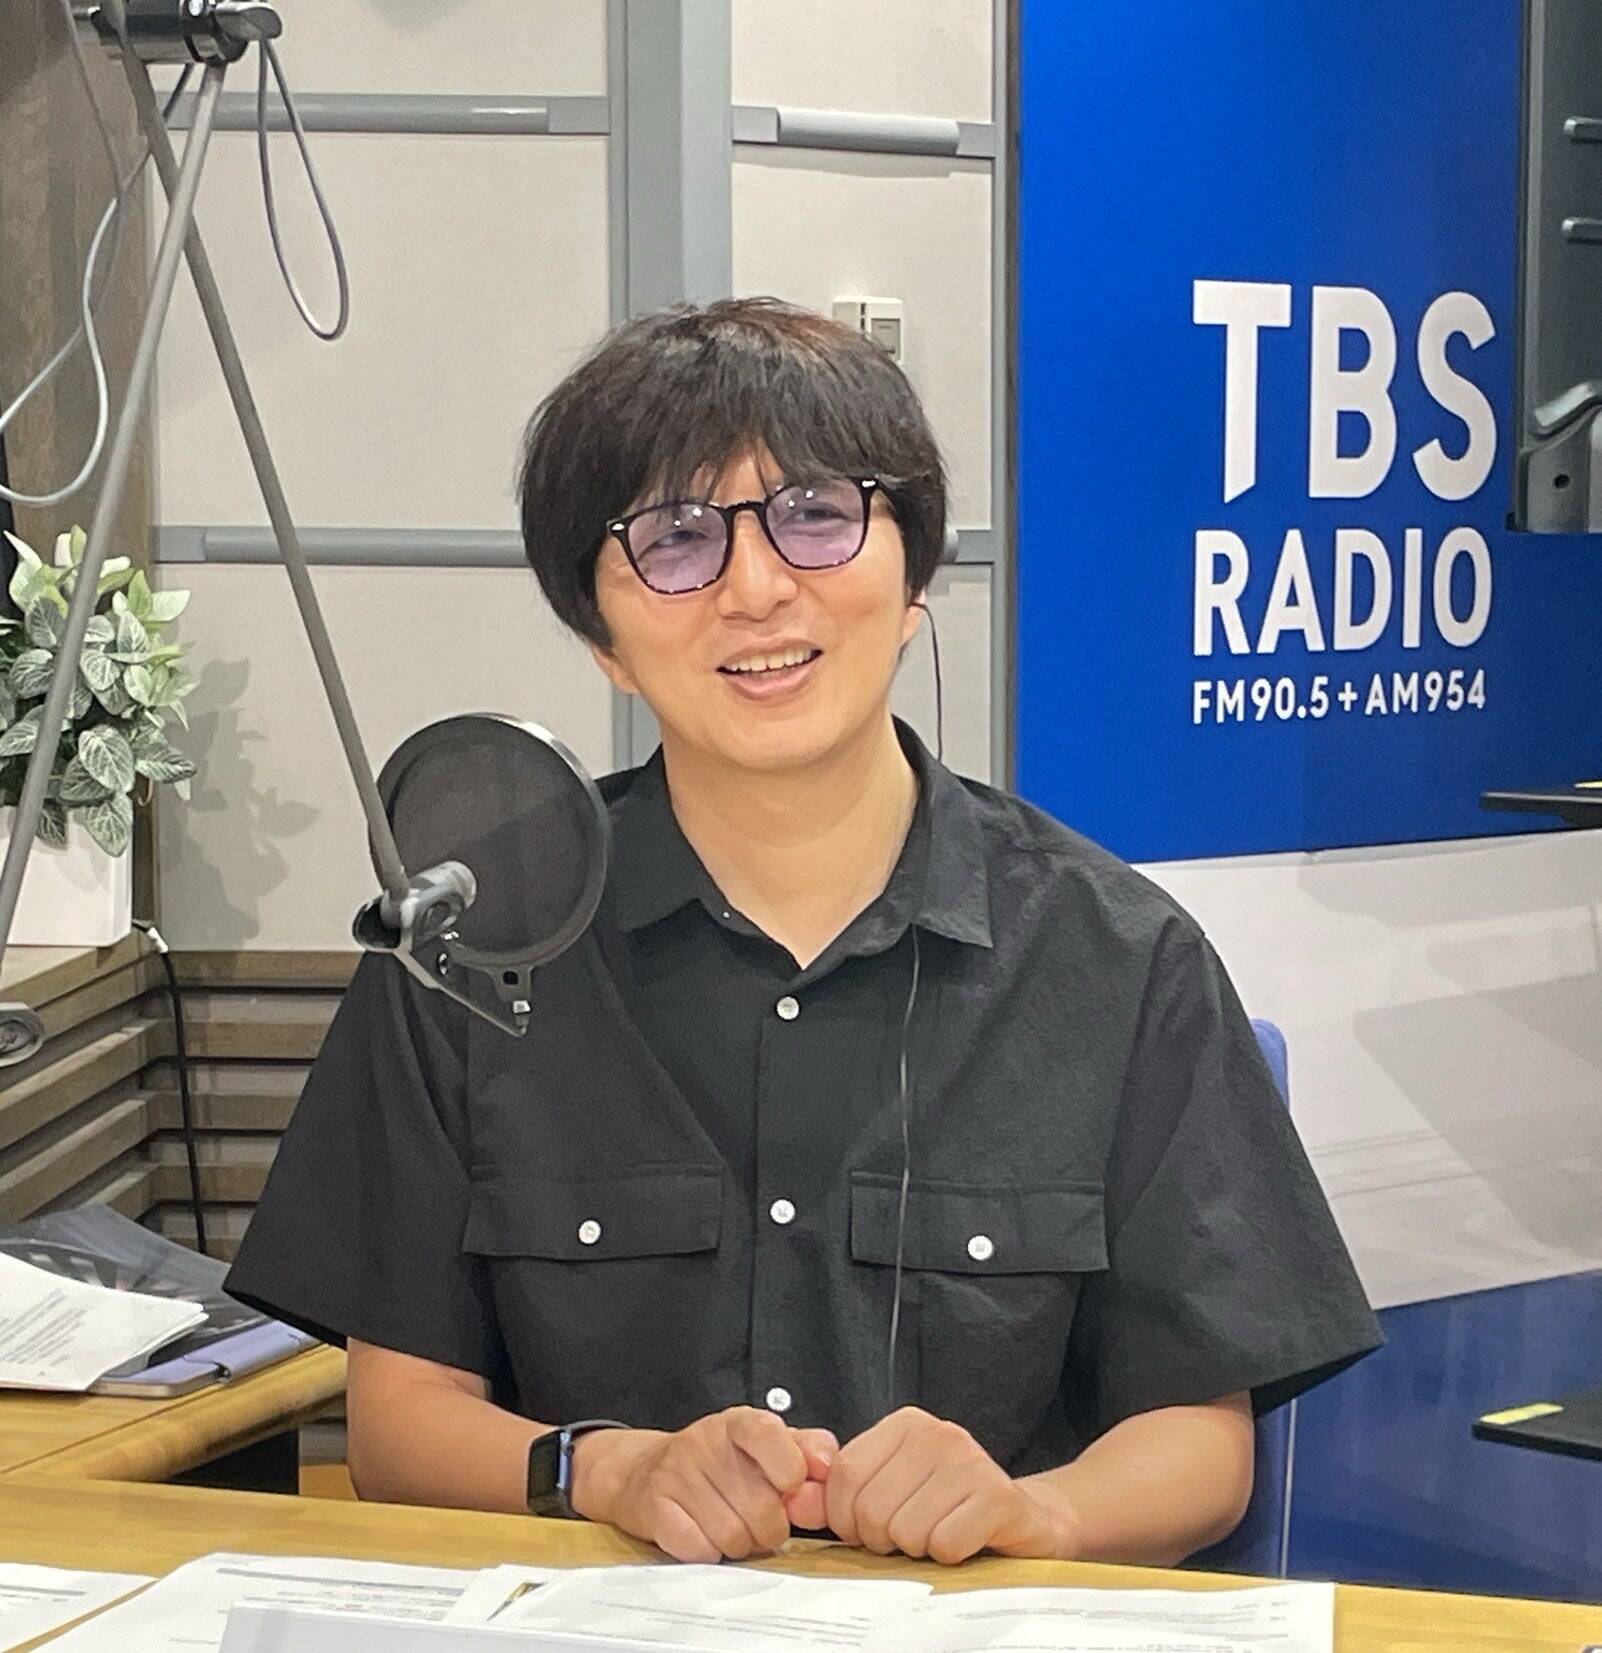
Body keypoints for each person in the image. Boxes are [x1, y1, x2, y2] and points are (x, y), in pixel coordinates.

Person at [227, 297, 1380, 1569]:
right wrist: (610, 1470)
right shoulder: (473, 947)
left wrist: (1032, 1512)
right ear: (602, 639)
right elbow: (398, 1425)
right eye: (675, 540)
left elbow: (1200, 1443)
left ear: (914, 577)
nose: (758, 589)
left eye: (817, 516)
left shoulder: (1119, 958)